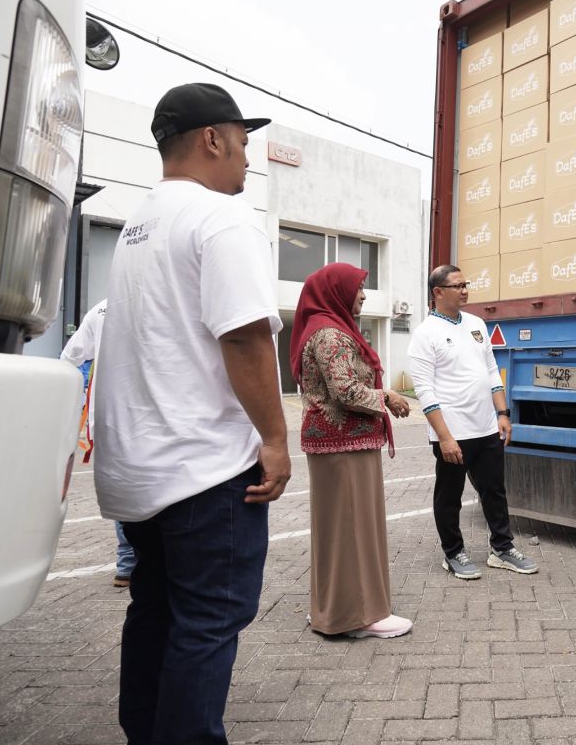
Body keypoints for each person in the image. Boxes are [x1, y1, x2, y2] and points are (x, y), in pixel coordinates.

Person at [93, 82, 291, 744]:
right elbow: (243, 336)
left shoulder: (136, 226)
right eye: (242, 141)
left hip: (141, 471)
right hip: (205, 470)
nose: (245, 156)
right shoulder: (220, 217)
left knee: (154, 610)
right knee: (209, 622)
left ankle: (144, 732)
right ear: (212, 138)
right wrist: (274, 437)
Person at [290, 262, 413, 638]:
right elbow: (345, 391)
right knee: (354, 526)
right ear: (337, 291)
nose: (363, 295)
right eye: (358, 287)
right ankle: (358, 617)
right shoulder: (330, 335)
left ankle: (331, 609)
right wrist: (388, 395)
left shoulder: (324, 328)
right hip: (343, 442)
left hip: (336, 442)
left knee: (337, 528)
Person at [407, 265, 537, 579]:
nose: (465, 290)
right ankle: (453, 553)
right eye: (457, 286)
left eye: (466, 284)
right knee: (449, 497)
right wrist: (444, 437)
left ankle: (502, 549)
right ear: (438, 292)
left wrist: (502, 414)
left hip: (486, 428)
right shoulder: (426, 333)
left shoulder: (477, 324)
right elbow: (424, 389)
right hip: (452, 433)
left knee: (494, 490)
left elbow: (492, 370)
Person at [61, 298, 136, 588]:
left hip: (106, 415)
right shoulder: (166, 295)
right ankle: (147, 559)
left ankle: (127, 563)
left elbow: (70, 357)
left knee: (121, 488)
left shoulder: (101, 309)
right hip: (151, 415)